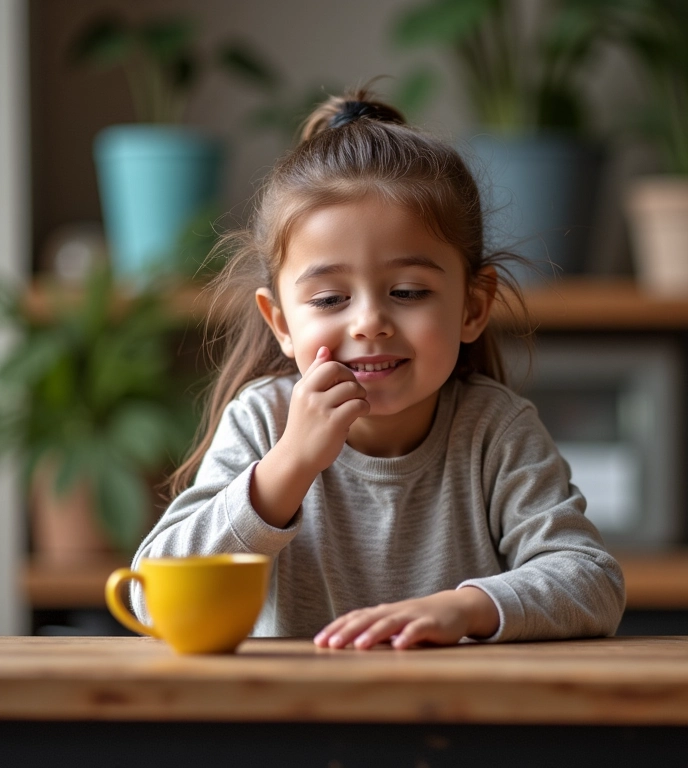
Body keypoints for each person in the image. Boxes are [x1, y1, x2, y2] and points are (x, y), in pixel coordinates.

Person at [131, 87, 626, 649]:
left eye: (409, 291)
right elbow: (149, 595)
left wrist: (465, 608)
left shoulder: (496, 432)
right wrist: (287, 468)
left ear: (472, 306)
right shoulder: (263, 422)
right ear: (281, 323)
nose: (369, 322)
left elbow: (592, 580)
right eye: (328, 300)